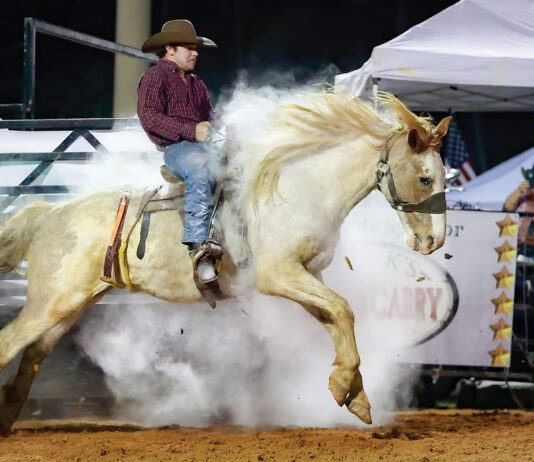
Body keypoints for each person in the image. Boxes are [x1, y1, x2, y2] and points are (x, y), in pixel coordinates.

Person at [137, 20, 220, 284]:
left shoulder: (197, 84)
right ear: (169, 49)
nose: (195, 53)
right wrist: (192, 131)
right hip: (177, 149)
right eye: (189, 48)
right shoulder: (155, 77)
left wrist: (224, 127)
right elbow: (149, 117)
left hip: (205, 148)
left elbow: (212, 117)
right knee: (199, 168)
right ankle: (199, 248)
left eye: (196, 48)